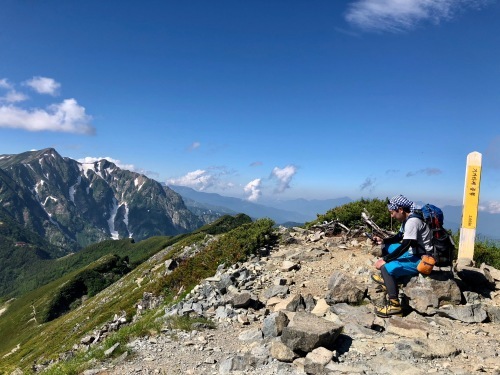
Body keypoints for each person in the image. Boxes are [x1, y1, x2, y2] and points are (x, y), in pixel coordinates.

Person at [371, 194, 433, 318]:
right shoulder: (407, 220)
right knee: (386, 247)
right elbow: (399, 237)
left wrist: (385, 260)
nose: (391, 216)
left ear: (400, 209)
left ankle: (395, 306)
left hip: (421, 259)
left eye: (392, 212)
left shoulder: (412, 222)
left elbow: (405, 245)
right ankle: (389, 279)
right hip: (413, 252)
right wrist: (383, 241)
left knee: (386, 268)